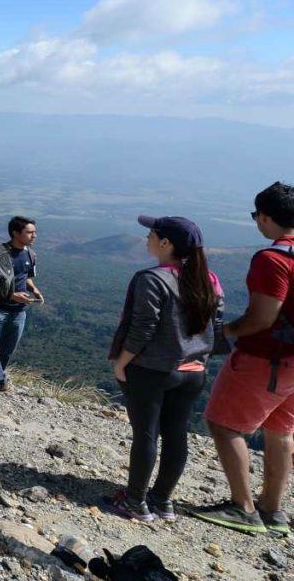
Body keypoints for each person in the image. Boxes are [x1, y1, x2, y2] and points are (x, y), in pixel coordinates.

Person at [105, 215, 223, 523]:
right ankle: (162, 500)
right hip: (194, 371)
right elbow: (217, 326)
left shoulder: (152, 279)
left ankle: (134, 502)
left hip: (154, 370)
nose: (147, 239)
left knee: (146, 434)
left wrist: (122, 362)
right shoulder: (208, 279)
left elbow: (143, 327)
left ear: (166, 243)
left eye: (151, 234)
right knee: (176, 435)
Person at [192, 182, 294, 535]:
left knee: (224, 424)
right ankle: (273, 510)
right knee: (280, 430)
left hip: (266, 358)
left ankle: (242, 507)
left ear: (266, 217)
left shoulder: (272, 259)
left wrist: (226, 332)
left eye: (257, 216)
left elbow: (263, 317)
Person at [0, 216, 43, 392]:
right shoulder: (0, 253)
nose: (34, 236)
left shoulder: (30, 254)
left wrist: (34, 290)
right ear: (15, 233)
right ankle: (0, 379)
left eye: (34, 232)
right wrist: (12, 295)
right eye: (29, 232)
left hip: (19, 312)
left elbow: (26, 276)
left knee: (7, 351)